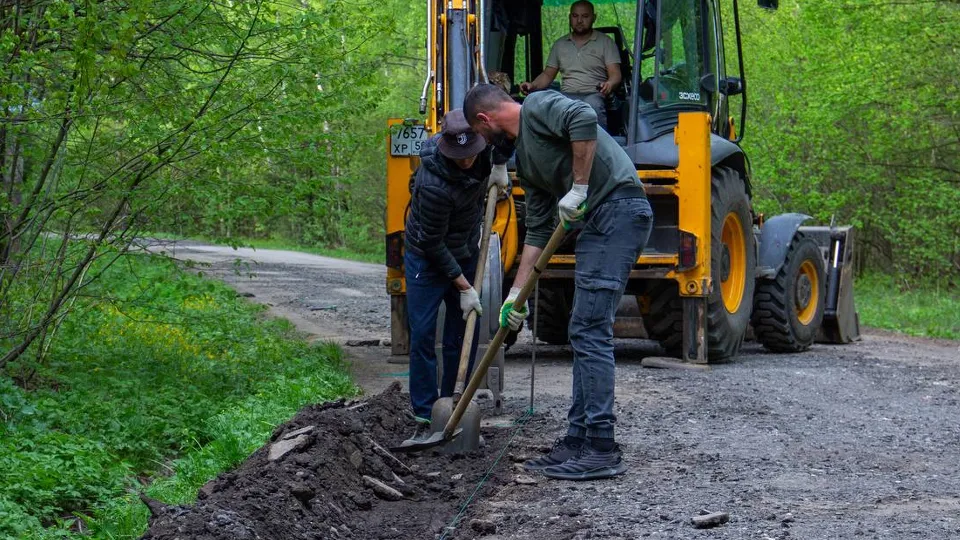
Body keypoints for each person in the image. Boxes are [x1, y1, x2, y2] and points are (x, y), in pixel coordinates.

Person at [464, 84, 652, 480]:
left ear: (484, 119)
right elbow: (536, 230)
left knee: (590, 328)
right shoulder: (528, 163)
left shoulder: (536, 106)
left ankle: (601, 446)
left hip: (618, 208)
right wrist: (515, 296)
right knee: (580, 329)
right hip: (598, 221)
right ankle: (577, 439)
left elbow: (584, 117)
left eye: (481, 134)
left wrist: (579, 188)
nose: (486, 143)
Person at [402, 109, 510, 444]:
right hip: (426, 256)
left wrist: (499, 166)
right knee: (422, 334)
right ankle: (426, 413)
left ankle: (450, 405)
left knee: (461, 334)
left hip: (464, 249)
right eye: (459, 156)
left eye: (471, 154)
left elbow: (508, 135)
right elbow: (433, 243)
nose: (467, 161)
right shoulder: (432, 184)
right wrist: (463, 286)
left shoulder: (484, 149)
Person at [520, 0, 621, 129]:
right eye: (575, 16)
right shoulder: (560, 44)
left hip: (593, 94)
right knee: (546, 106)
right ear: (569, 17)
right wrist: (532, 85)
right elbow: (547, 75)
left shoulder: (606, 42)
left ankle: (597, 142)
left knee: (592, 105)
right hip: (566, 95)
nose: (579, 20)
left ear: (594, 18)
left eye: (585, 16)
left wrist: (609, 84)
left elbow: (615, 74)